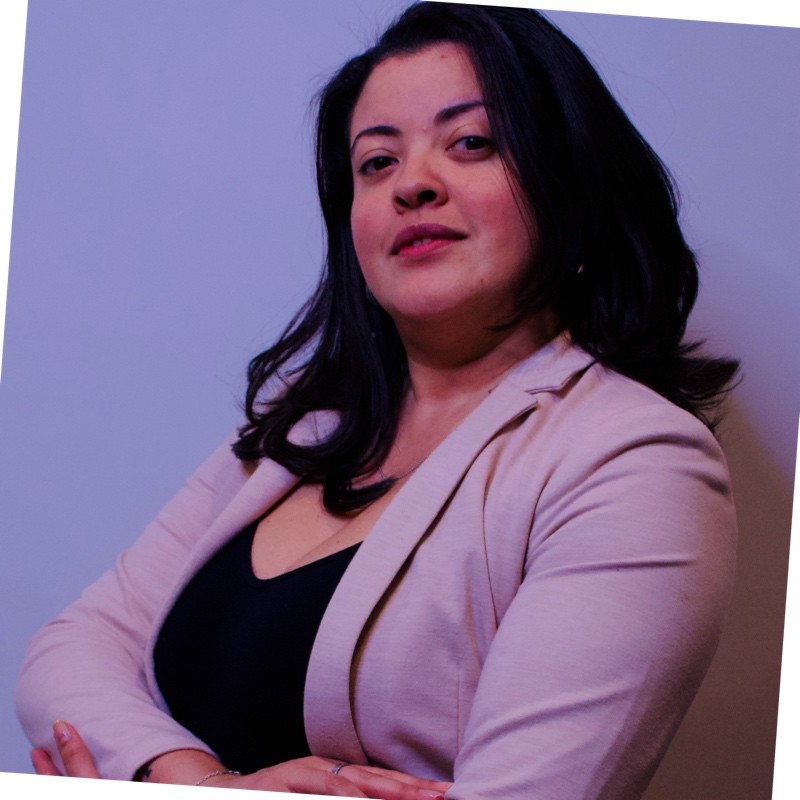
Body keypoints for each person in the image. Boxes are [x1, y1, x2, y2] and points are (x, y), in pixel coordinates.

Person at [16, 3, 739, 798]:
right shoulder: (305, 422)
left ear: (568, 183)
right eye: (376, 163)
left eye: (471, 143)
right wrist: (204, 780)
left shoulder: (636, 461)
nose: (413, 184)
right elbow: (70, 653)